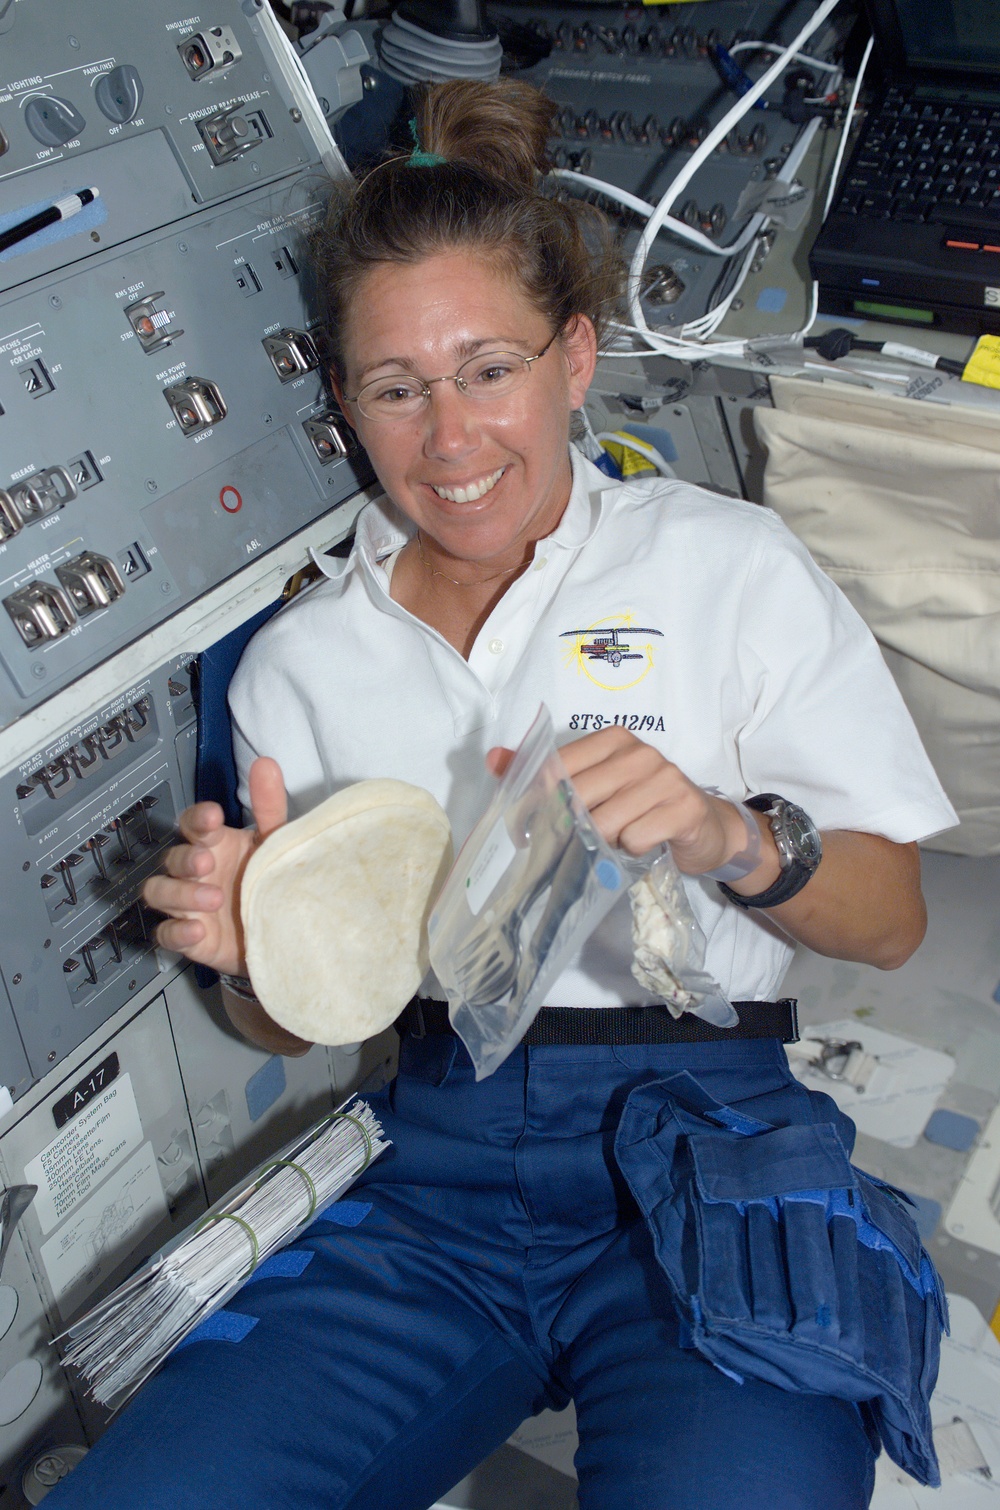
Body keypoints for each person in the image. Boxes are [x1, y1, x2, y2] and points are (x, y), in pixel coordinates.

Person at [50, 80, 957, 1510]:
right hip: (431, 1166)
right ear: (347, 402)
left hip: (704, 1146)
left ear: (576, 359)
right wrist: (250, 956)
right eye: (399, 387)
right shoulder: (296, 665)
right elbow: (292, 1015)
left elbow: (892, 916)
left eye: (489, 369)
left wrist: (734, 834)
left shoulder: (726, 567)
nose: (451, 438)